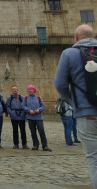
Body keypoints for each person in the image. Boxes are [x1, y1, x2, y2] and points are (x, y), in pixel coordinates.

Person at [55, 24, 97, 185]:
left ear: (76, 38)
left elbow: (60, 84)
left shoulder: (69, 53)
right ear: (93, 37)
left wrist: (72, 100)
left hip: (87, 114)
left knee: (94, 160)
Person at [23, 85, 51, 151]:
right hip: (30, 118)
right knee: (33, 132)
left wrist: (39, 109)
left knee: (41, 131)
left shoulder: (38, 98)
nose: (29, 90)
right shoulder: (26, 98)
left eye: (31, 89)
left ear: (34, 90)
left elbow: (43, 106)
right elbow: (23, 106)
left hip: (38, 118)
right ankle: (35, 145)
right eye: (28, 89)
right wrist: (28, 110)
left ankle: (45, 146)